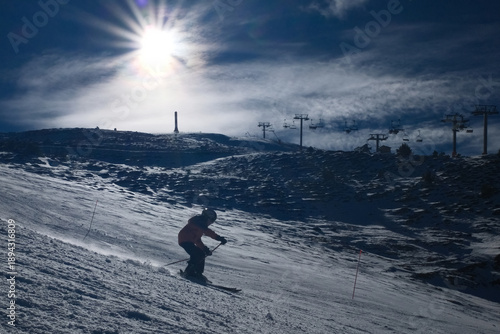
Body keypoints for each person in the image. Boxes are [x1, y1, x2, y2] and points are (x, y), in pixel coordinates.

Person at [178, 208, 227, 279]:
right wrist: (219, 238)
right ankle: (190, 272)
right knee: (196, 254)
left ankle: (196, 272)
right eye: (211, 221)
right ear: (207, 217)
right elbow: (208, 231)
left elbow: (197, 240)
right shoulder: (199, 222)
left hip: (186, 240)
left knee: (200, 253)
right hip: (185, 240)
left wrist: (204, 249)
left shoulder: (199, 224)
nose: (210, 223)